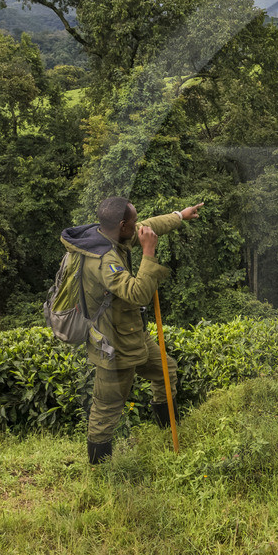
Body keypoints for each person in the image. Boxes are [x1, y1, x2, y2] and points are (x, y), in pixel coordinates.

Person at [59, 196, 202, 464]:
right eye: (133, 222)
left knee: (166, 371)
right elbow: (138, 294)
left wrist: (180, 215)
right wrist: (149, 253)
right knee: (108, 406)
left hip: (133, 333)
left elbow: (148, 227)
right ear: (122, 225)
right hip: (113, 344)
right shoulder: (103, 260)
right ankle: (99, 467)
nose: (138, 226)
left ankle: (166, 427)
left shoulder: (111, 234)